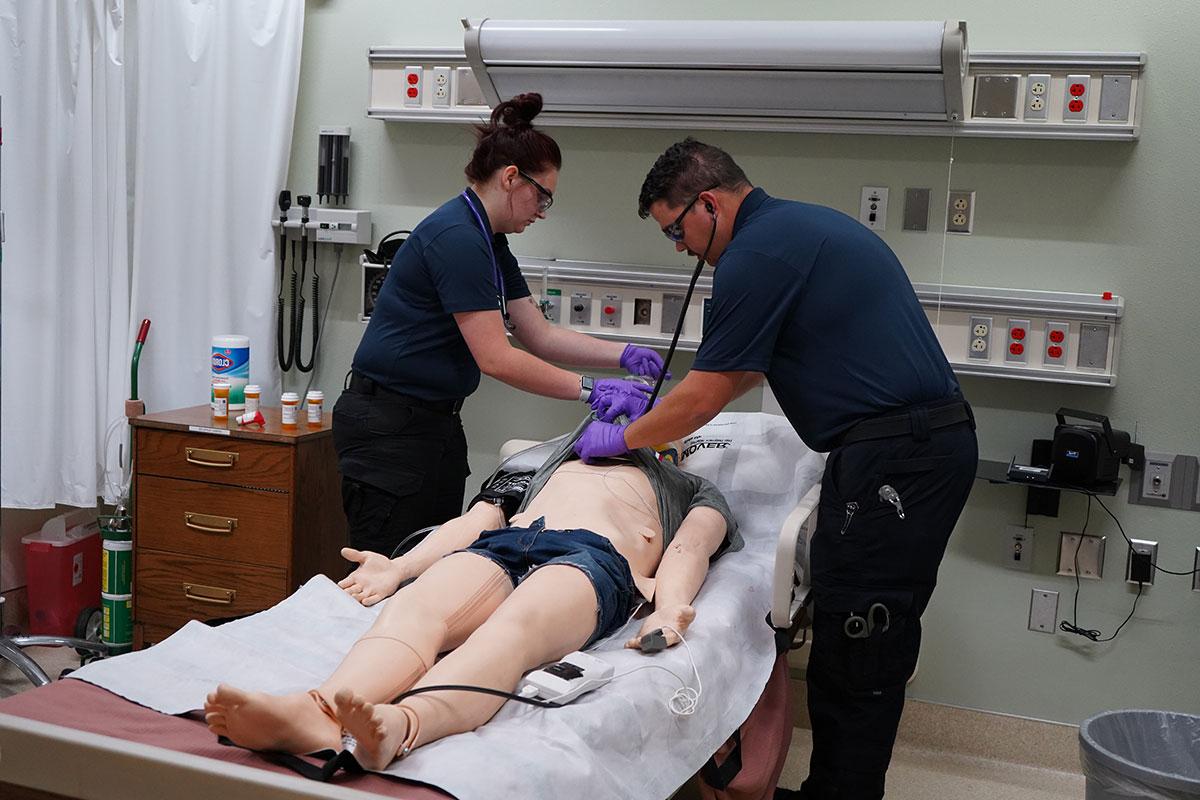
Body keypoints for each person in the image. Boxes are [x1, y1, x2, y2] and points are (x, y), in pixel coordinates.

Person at [574, 138, 978, 799]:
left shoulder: (756, 256)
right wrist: (650, 416)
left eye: (677, 230)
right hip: (906, 451)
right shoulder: (798, 229)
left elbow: (707, 394)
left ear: (707, 203)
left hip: (898, 460)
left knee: (860, 640)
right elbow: (730, 378)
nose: (680, 248)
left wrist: (625, 441)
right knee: (862, 635)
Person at [204, 421, 740, 770]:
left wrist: (668, 610)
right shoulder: (543, 459)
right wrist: (399, 569)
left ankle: (401, 727)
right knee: (418, 607)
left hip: (594, 558)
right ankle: (318, 713)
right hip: (508, 541)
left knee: (513, 630)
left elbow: (689, 549)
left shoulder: (690, 488)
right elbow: (477, 519)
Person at [334, 92, 662, 557]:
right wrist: (592, 389)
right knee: (385, 572)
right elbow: (497, 358)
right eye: (542, 195)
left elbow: (537, 333)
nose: (543, 210)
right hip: (389, 430)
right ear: (511, 178)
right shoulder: (457, 238)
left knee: (434, 564)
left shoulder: (489, 239)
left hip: (433, 425)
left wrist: (624, 355)